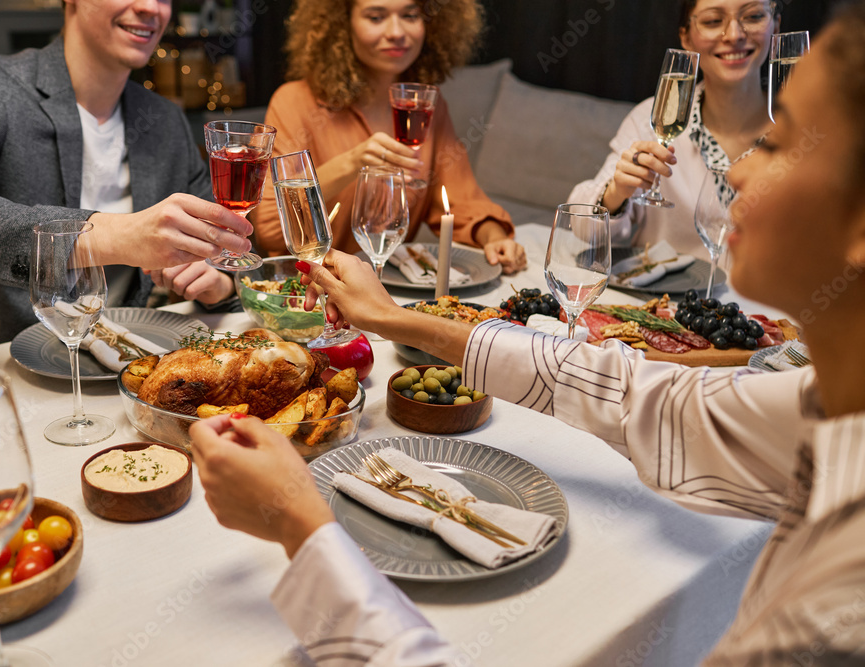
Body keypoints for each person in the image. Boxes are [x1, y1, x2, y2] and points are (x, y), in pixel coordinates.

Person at [190, 2, 865, 662]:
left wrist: (303, 530)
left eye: (778, 142)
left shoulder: (842, 601)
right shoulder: (821, 413)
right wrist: (395, 318)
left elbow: (475, 202)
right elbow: (639, 396)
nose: (737, 167)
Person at [0, 0, 246, 362]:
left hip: (106, 374)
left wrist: (217, 284)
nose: (150, 8)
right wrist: (119, 237)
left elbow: (223, 255)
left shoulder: (164, 120)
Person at [249, 0, 527, 275]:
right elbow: (272, 231)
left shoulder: (426, 105)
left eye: (409, 15)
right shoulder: (293, 103)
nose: (396, 31)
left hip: (386, 290)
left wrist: (494, 238)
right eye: (376, 17)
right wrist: (351, 164)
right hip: (307, 292)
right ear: (342, 24)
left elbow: (462, 200)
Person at [569, 0, 779, 258]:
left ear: (775, 26)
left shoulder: (807, 135)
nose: (734, 35)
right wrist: (616, 192)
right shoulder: (654, 117)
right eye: (713, 21)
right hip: (665, 297)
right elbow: (580, 226)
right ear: (686, 38)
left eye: (754, 16)